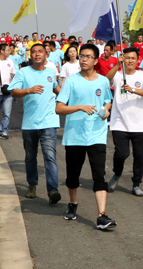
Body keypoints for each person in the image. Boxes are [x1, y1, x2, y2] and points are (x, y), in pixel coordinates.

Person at [54, 43, 117, 229]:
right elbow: (59, 108)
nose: (83, 59)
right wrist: (80, 107)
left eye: (88, 56)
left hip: (97, 134)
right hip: (75, 135)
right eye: (82, 56)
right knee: (73, 175)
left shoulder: (103, 81)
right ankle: (73, 203)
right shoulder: (71, 81)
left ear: (96, 60)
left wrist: (106, 110)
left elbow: (107, 101)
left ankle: (102, 215)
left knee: (99, 175)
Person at [8, 43, 62, 205]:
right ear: (30, 55)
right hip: (30, 123)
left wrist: (68, 96)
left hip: (49, 121)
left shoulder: (51, 72)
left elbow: (56, 88)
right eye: (34, 52)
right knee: (30, 157)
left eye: (40, 52)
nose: (37, 54)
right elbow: (13, 91)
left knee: (50, 156)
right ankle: (32, 184)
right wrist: (29, 90)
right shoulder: (23, 72)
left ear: (46, 55)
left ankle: (53, 189)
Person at [107, 47, 143, 196]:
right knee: (122, 154)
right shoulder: (118, 75)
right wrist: (117, 65)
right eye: (127, 58)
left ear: (137, 60)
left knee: (139, 156)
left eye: (133, 58)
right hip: (119, 122)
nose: (130, 61)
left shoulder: (142, 75)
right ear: (123, 59)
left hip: (139, 124)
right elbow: (107, 79)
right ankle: (117, 173)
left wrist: (132, 90)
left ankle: (136, 184)